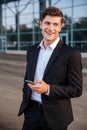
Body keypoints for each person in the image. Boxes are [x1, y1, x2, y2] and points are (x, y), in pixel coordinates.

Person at [18, 6, 83, 130]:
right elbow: (27, 78)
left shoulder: (71, 53)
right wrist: (27, 102)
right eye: (47, 23)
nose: (51, 28)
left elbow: (76, 89)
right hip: (31, 112)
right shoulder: (32, 50)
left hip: (56, 117)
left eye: (55, 24)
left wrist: (48, 89)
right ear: (41, 24)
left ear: (60, 27)